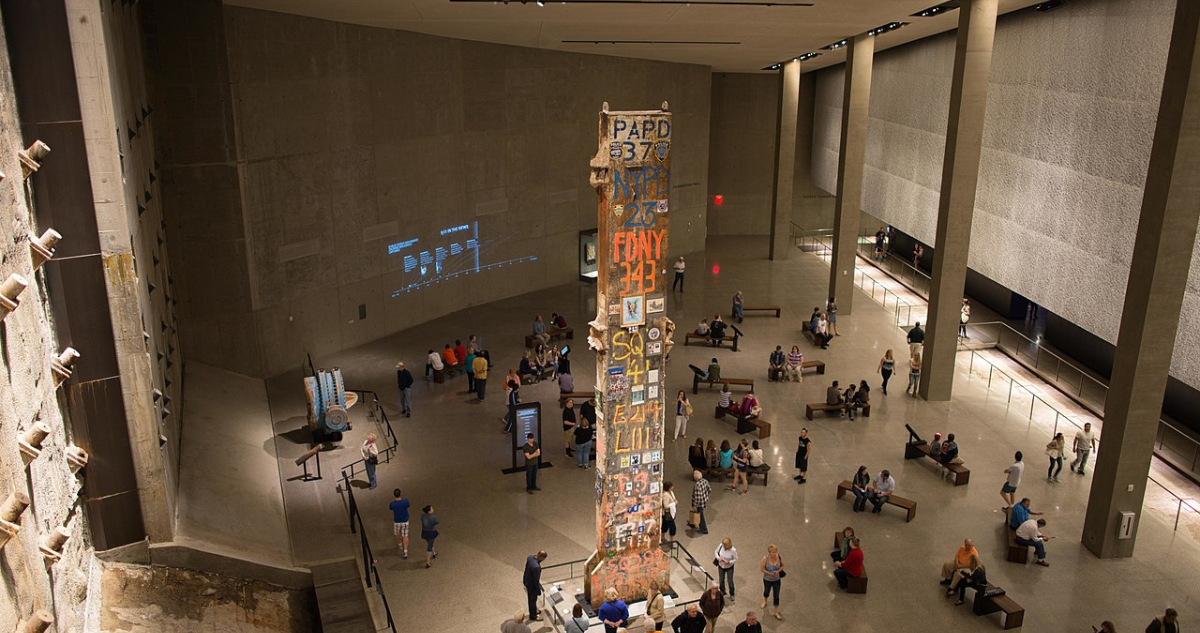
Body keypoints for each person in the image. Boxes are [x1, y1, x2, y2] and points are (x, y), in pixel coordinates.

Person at [760, 544, 784, 620]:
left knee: (776, 595)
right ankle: (765, 600)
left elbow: (783, 566)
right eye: (773, 552)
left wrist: (778, 571)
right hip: (767, 579)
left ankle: (775, 611)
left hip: (777, 579)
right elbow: (762, 569)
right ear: (769, 553)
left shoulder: (780, 557)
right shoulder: (765, 558)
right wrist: (770, 573)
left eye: (775, 552)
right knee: (766, 591)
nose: (774, 554)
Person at [523, 551, 547, 621]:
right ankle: (533, 616)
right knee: (532, 599)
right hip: (531, 585)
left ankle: (534, 609)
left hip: (526, 579)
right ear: (541, 557)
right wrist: (538, 590)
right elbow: (536, 581)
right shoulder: (536, 567)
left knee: (532, 599)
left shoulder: (530, 557)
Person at [390, 488, 411, 557]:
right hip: (405, 521)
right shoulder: (405, 501)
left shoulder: (392, 504)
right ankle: (405, 551)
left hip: (397, 521)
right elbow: (408, 505)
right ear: (400, 494)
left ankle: (400, 545)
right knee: (405, 535)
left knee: (398, 534)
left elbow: (390, 508)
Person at [691, 470, 710, 534]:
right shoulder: (705, 481)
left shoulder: (697, 485)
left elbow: (697, 497)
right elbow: (709, 489)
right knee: (699, 513)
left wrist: (695, 506)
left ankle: (704, 529)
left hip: (699, 503)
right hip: (704, 500)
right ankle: (693, 523)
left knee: (700, 515)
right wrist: (706, 496)